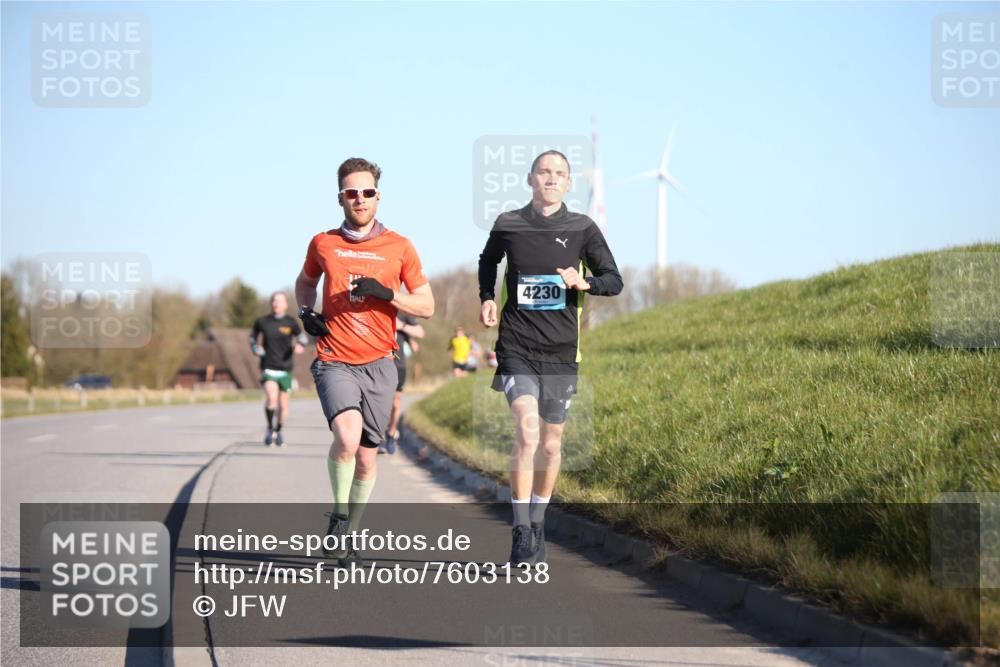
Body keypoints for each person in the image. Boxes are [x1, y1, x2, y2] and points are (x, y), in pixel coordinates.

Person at [478, 150, 622, 565]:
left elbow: (615, 280)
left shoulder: (582, 228)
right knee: (527, 434)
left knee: (553, 444)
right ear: (530, 178)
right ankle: (521, 529)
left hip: (561, 351)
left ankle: (539, 520)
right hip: (517, 347)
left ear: (570, 182)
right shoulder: (509, 223)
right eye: (544, 172)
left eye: (560, 173)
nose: (551, 179)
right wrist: (487, 297)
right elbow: (488, 261)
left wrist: (586, 281)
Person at [295, 157, 434, 566]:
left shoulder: (400, 247)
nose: (359, 199)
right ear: (340, 197)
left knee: (368, 457)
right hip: (334, 358)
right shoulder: (323, 243)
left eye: (367, 192)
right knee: (347, 438)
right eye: (351, 193)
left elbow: (426, 305)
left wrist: (387, 294)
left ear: (378, 197)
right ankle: (338, 519)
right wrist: (306, 313)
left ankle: (349, 534)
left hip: (381, 362)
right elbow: (305, 283)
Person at [249, 292, 306, 448]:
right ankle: (269, 428)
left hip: (285, 368)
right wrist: (255, 347)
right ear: (271, 303)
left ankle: (278, 430)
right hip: (268, 366)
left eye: (280, 301)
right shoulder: (262, 322)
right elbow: (252, 336)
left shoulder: (291, 323)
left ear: (286, 304)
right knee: (271, 399)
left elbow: (302, 337)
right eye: (274, 300)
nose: (276, 303)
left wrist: (300, 344)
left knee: (283, 407)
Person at [380, 313, 424, 455]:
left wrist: (402, 326)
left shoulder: (402, 312)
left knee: (395, 403)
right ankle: (378, 436)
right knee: (379, 402)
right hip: (378, 363)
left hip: (399, 365)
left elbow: (420, 332)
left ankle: (391, 434)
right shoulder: (375, 306)